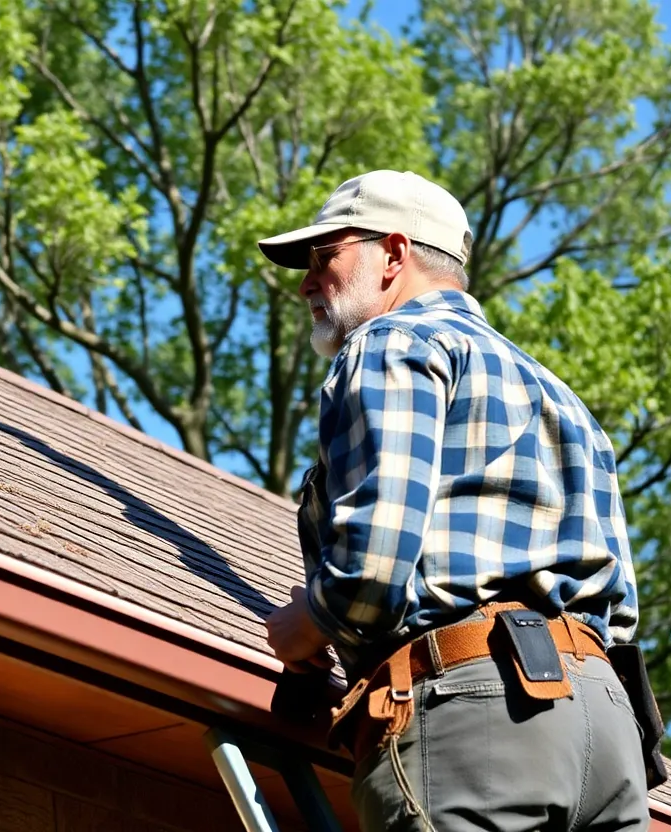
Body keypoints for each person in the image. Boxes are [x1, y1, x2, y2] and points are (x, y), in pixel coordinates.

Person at [256, 170, 650, 831]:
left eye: (326, 257)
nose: (305, 282)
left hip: (479, 718)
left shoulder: (392, 344)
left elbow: (372, 571)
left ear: (394, 253)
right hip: (609, 735)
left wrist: (307, 621)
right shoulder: (561, 397)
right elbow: (623, 617)